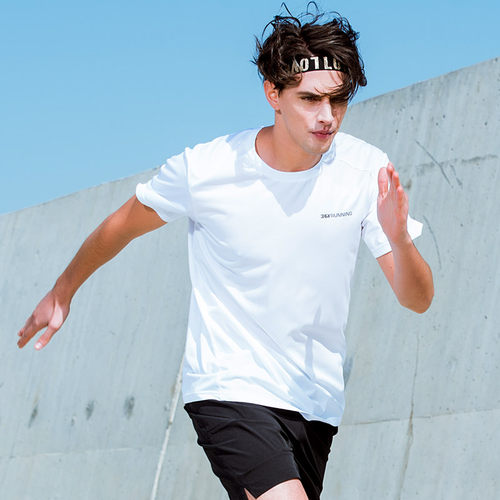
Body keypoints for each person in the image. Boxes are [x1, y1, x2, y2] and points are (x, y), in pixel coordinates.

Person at [17, 5, 434, 500]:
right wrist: (63, 290)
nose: (327, 116)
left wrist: (399, 238)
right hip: (228, 386)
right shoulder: (208, 169)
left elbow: (417, 299)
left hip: (314, 402)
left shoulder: (365, 171)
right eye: (309, 99)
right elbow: (122, 225)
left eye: (338, 99)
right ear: (273, 94)